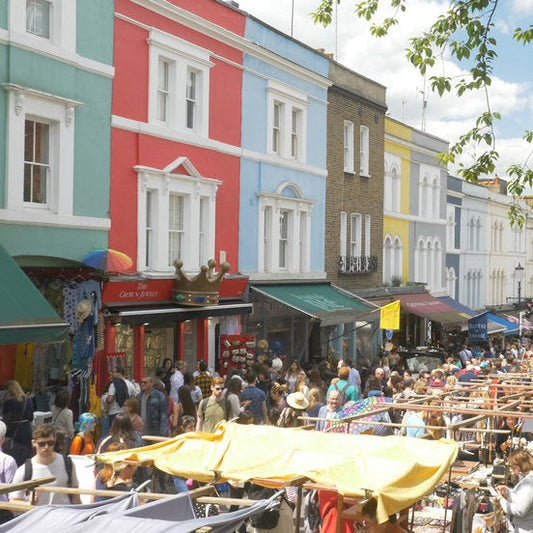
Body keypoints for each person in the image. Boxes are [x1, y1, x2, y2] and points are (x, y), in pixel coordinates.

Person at [10, 424, 80, 505]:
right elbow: (13, 500)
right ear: (33, 443)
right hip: (39, 516)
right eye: (41, 444)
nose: (46, 447)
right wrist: (29, 504)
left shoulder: (68, 463)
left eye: (50, 443)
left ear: (55, 440)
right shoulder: (24, 470)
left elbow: (75, 495)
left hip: (65, 515)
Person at [495, 449, 533, 532]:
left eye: (512, 466)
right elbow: (521, 497)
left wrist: (502, 501)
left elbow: (520, 510)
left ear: (518, 466)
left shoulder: (529, 482)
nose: (511, 469)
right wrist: (508, 492)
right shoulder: (527, 479)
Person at [2, 379, 34, 466]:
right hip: (27, 430)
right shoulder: (28, 400)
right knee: (26, 457)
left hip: (14, 432)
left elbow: (5, 419)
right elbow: (31, 418)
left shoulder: (9, 402)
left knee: (14, 456)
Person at [0, 421, 17, 523]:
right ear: (3, 438)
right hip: (3, 511)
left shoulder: (7, 461)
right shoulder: (8, 461)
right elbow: (13, 491)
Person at [51, 389, 75, 453]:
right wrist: (73, 438)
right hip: (64, 438)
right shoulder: (68, 412)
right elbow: (70, 428)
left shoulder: (53, 408)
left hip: (54, 436)